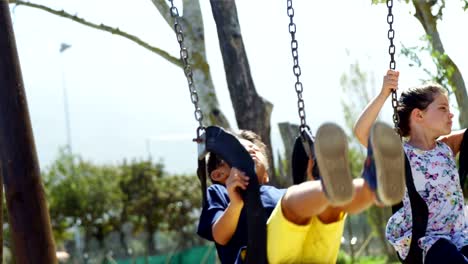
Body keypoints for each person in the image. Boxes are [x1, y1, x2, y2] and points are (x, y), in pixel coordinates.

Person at [198, 122, 405, 263]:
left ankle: (372, 188)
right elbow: (220, 236)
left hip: (314, 255)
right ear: (218, 174)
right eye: (243, 149)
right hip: (260, 258)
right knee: (293, 204)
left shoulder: (278, 193)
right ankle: (333, 188)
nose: (252, 150)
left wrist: (314, 181)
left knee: (332, 207)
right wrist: (236, 204)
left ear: (266, 176)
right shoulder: (220, 192)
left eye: (255, 149)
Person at [353, 69, 468, 263]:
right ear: (418, 115)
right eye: (442, 108)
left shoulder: (446, 147)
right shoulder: (400, 154)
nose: (451, 114)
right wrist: (384, 94)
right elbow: (361, 133)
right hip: (425, 242)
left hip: (458, 236)